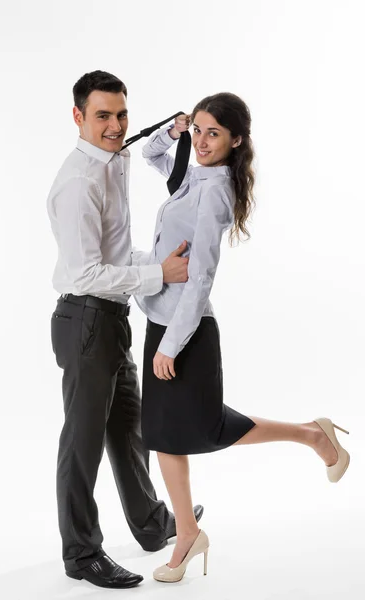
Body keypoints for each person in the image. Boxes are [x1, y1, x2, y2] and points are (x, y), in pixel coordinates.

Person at [133, 93, 351, 583]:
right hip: (161, 319)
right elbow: (148, 155)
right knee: (165, 436)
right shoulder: (195, 170)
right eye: (199, 131)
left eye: (214, 133)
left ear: (237, 140)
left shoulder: (214, 191)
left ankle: (313, 436)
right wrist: (174, 131)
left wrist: (171, 344)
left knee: (204, 430)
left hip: (183, 332)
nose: (203, 141)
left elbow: (202, 277)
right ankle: (188, 533)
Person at [46, 70, 204, 590]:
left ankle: (152, 523)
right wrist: (161, 273)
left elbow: (114, 254)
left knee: (129, 432)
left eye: (120, 115)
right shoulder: (78, 184)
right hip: (86, 319)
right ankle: (81, 553)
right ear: (78, 117)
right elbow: (88, 271)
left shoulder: (114, 159)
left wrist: (171, 133)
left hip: (111, 319)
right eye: (101, 116)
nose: (115, 126)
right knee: (83, 443)